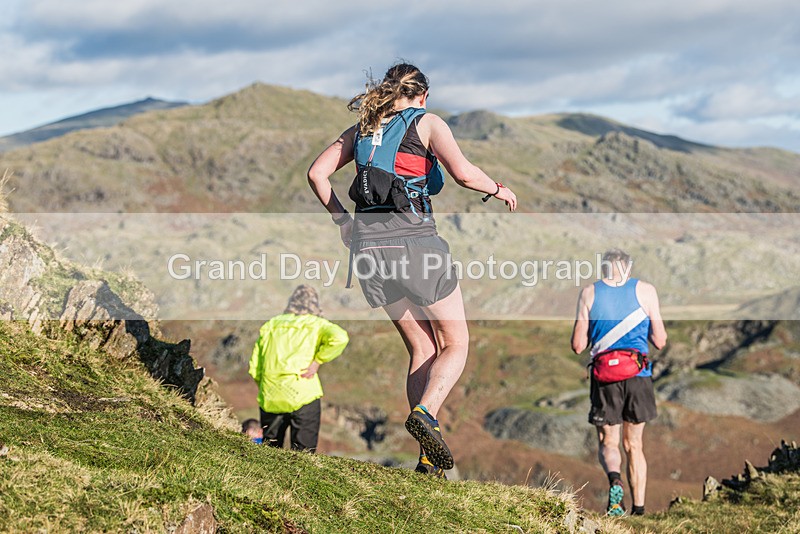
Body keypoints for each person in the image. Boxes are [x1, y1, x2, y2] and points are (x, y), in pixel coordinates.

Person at [307, 62, 517, 477]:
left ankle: (426, 459)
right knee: (455, 343)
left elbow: (317, 174)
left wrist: (343, 222)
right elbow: (463, 174)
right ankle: (426, 413)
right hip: (414, 242)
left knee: (422, 348)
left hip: (368, 249)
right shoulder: (427, 122)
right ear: (422, 96)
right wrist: (498, 189)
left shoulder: (362, 128)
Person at [571, 249, 667, 516]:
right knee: (634, 444)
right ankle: (639, 510)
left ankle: (615, 481)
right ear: (628, 269)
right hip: (638, 377)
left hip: (605, 380)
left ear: (604, 270)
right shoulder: (647, 291)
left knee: (609, 442)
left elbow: (578, 345)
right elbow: (659, 341)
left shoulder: (589, 293)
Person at [249, 285, 349, 452]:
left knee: (268, 452)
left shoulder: (271, 325)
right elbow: (340, 337)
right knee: (304, 454)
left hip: (271, 395)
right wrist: (318, 360)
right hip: (303, 393)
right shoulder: (316, 323)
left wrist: (265, 386)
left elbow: (254, 367)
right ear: (315, 305)